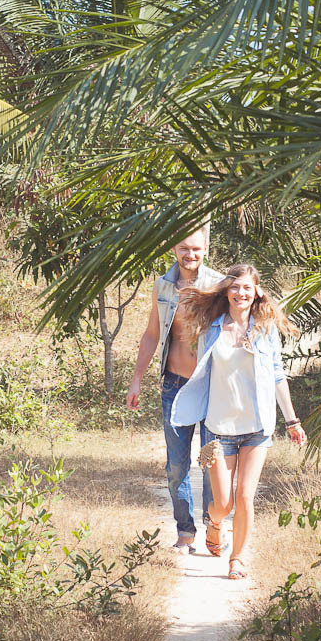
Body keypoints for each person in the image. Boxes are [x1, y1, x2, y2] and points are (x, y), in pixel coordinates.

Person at [169, 264, 306, 579]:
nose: (241, 293)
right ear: (226, 291)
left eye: (247, 287)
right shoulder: (212, 329)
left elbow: (277, 375)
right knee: (223, 504)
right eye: (235, 287)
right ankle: (214, 524)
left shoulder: (264, 329)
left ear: (256, 290)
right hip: (218, 431)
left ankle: (237, 559)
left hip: (257, 429)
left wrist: (292, 421)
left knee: (245, 497)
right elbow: (201, 371)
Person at [126, 228, 226, 554]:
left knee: (212, 462)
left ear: (205, 248)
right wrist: (137, 379)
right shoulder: (163, 286)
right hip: (174, 384)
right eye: (185, 248)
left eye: (196, 249)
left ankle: (215, 527)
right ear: (174, 248)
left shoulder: (220, 285)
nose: (190, 255)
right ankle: (185, 533)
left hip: (211, 385)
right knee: (177, 466)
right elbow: (152, 335)